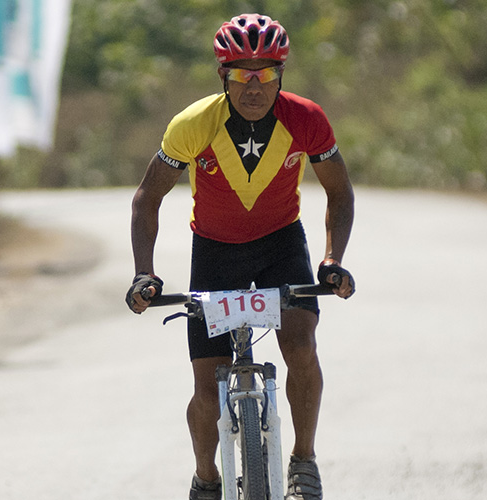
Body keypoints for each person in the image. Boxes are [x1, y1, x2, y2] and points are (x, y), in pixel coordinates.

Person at [124, 13, 356, 500]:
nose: (255, 87)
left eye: (266, 74)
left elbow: (339, 192)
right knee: (207, 389)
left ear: (281, 76)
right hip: (215, 252)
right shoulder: (193, 125)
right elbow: (147, 197)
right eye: (242, 75)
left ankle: (304, 461)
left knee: (300, 348)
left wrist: (332, 260)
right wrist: (144, 273)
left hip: (281, 245)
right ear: (222, 77)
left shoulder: (306, 120)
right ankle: (206, 476)